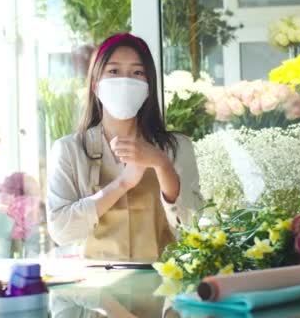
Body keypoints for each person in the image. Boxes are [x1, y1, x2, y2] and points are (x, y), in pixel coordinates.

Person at [47, 33, 203, 262]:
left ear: (149, 86)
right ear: (94, 84)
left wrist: (162, 164)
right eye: (113, 71)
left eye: (137, 73)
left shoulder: (177, 147)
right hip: (94, 288)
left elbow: (194, 227)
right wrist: (123, 183)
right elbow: (62, 231)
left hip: (164, 283)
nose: (125, 81)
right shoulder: (69, 150)